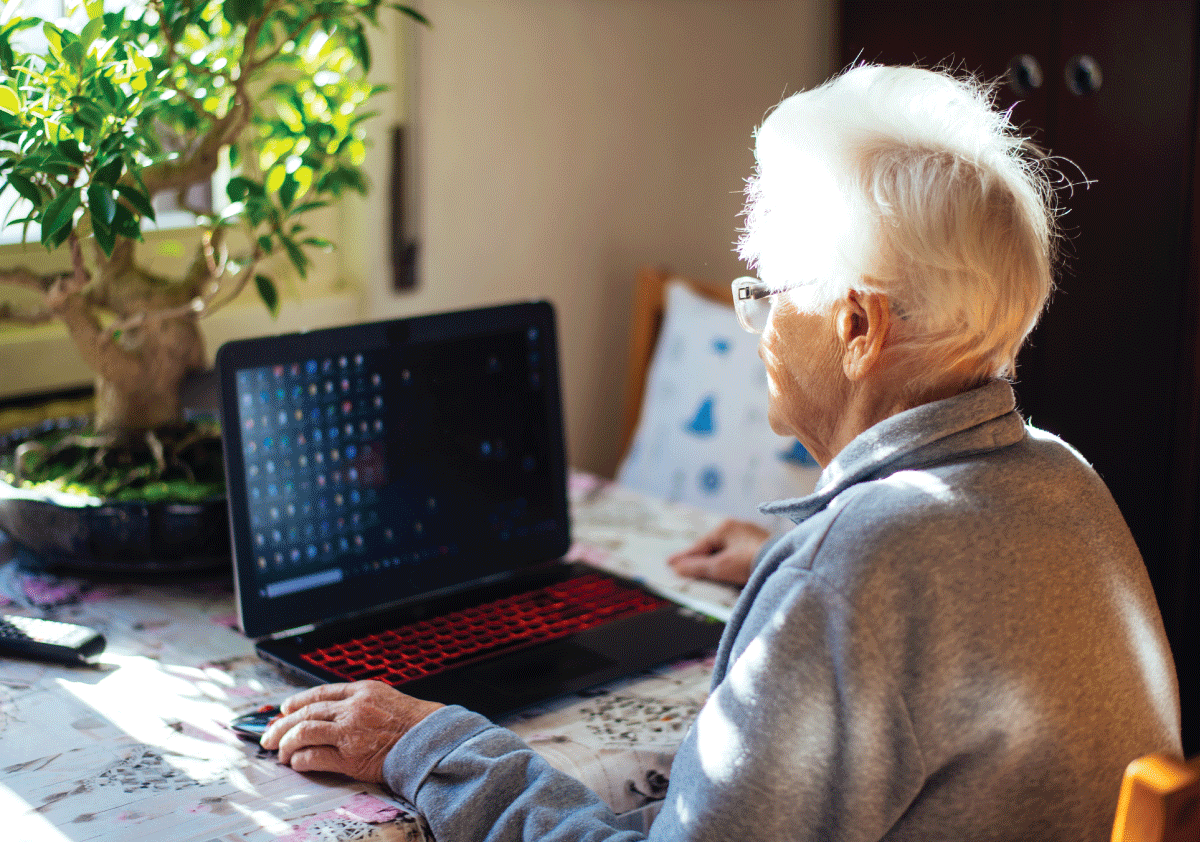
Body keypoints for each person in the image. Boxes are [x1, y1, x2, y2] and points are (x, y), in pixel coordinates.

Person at [260, 64, 1182, 841]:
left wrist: (425, 741)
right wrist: (796, 579)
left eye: (770, 293)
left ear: (858, 325)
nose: (760, 326)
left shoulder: (853, 575)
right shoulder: (1062, 477)